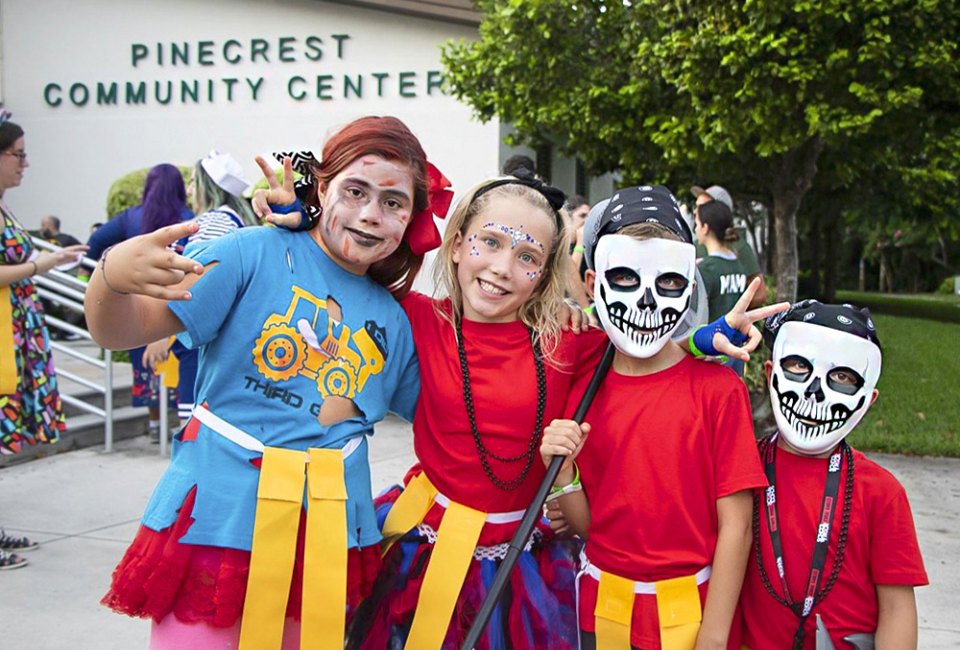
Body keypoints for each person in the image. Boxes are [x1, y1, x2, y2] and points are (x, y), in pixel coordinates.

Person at [85, 115, 442, 649]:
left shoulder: (398, 319)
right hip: (215, 526)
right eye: (356, 191)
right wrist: (110, 276)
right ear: (323, 188)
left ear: (412, 217)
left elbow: (449, 422)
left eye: (393, 203)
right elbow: (122, 329)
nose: (371, 214)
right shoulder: (248, 253)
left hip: (322, 541)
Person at [541, 185, 782, 650]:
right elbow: (593, 526)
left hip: (688, 617)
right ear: (593, 284)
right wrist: (564, 474)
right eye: (626, 279)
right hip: (599, 613)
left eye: (668, 283)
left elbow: (737, 523)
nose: (648, 302)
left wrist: (713, 635)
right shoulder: (583, 383)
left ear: (689, 285)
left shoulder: (718, 391)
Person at [739, 301, 928, 649]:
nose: (814, 392)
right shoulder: (741, 469)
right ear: (770, 374)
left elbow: (897, 608)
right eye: (798, 366)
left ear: (868, 400)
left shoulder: (882, 493)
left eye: (842, 377)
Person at [0, 119, 87, 570]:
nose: (26, 164)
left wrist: (49, 261)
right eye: (17, 154)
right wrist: (42, 265)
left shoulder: (5, 208)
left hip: (17, 332)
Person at [142, 150, 257, 425]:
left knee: (196, 423)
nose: (190, 189)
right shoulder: (239, 221)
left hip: (203, 337)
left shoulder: (213, 223)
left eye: (194, 181)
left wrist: (159, 331)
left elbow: (196, 279)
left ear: (209, 187)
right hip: (226, 337)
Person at [86, 164, 193, 441]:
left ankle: (155, 425)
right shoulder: (189, 219)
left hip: (136, 302)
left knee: (144, 365)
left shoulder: (131, 217)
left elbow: (95, 242)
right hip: (178, 302)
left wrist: (108, 268)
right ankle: (177, 422)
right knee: (181, 368)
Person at [694, 199, 750, 376]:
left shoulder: (706, 269)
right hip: (736, 351)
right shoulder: (738, 265)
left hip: (712, 352)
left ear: (705, 227)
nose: (695, 229)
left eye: (696, 223)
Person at [691, 184, 768, 309]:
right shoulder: (695, 246)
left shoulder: (739, 248)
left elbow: (760, 293)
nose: (695, 211)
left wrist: (733, 312)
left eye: (702, 207)